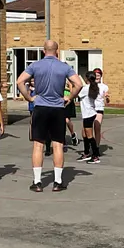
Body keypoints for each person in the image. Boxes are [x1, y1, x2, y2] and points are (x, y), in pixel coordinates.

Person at [16, 40, 82, 193]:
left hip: (40, 107)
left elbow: (20, 81)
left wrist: (29, 98)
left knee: (38, 144)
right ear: (57, 51)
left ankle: (37, 182)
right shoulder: (64, 67)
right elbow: (78, 84)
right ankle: (58, 182)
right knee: (58, 144)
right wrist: (69, 98)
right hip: (57, 108)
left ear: (44, 51)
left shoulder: (35, 65)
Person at [76, 71, 101, 164]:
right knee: (84, 134)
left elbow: (76, 93)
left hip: (88, 114)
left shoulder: (86, 88)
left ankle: (95, 155)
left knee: (89, 136)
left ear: (87, 79)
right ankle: (86, 153)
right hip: (89, 113)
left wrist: (72, 84)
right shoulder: (93, 87)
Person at [93, 68, 110, 149]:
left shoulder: (104, 87)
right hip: (90, 109)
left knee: (97, 127)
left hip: (99, 108)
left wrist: (107, 97)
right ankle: (89, 146)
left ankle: (96, 146)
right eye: (96, 75)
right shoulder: (89, 85)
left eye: (99, 75)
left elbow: (107, 98)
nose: (97, 77)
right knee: (87, 130)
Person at [64, 79, 79, 146]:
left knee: (67, 120)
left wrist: (65, 87)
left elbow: (72, 91)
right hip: (59, 100)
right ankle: (62, 140)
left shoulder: (69, 80)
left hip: (68, 101)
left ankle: (73, 134)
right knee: (61, 121)